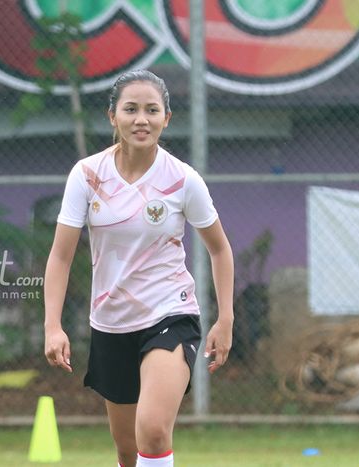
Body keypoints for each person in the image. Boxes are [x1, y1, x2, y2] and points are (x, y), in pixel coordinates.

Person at [43, 69, 234, 467]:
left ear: (167, 118)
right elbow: (61, 256)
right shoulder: (87, 175)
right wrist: (53, 326)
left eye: (152, 110)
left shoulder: (183, 180)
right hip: (111, 322)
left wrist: (225, 318)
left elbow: (219, 249)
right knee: (128, 449)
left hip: (170, 313)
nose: (141, 119)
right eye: (130, 109)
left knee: (152, 429)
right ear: (112, 116)